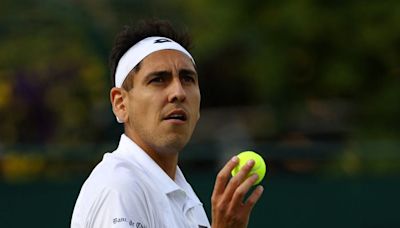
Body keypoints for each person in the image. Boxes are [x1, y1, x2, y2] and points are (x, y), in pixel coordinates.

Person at [71, 19, 264, 228]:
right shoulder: (119, 187)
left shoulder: (184, 196)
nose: (178, 93)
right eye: (158, 79)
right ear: (121, 104)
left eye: (187, 79)